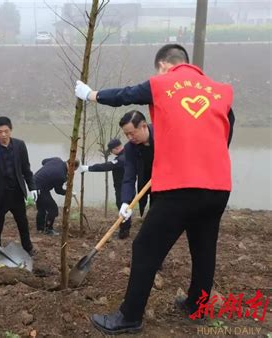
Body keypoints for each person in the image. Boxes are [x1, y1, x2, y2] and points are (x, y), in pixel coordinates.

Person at [75, 44, 235, 334]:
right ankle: (197, 306)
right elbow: (227, 127)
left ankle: (129, 317)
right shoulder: (219, 90)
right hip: (218, 187)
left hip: (181, 186)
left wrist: (92, 95)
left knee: (145, 247)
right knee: (204, 247)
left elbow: (126, 95)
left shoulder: (162, 83)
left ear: (164, 65)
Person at [0, 116, 38, 255]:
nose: (3, 135)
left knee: (22, 223)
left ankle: (28, 248)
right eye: (0, 132)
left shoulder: (19, 145)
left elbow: (26, 169)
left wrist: (32, 187)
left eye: (6, 131)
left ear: (11, 130)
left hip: (16, 192)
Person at [79, 138, 132, 239]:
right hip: (125, 187)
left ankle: (123, 233)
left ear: (116, 148)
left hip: (123, 189)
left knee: (123, 209)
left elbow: (106, 166)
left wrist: (89, 168)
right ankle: (125, 230)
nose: (111, 153)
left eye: (111, 151)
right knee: (125, 209)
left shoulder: (121, 159)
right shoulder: (127, 154)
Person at [34, 157, 79, 235]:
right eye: (74, 170)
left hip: (34, 182)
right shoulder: (61, 175)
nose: (73, 172)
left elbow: (43, 161)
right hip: (40, 188)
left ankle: (40, 229)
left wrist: (49, 170)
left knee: (42, 208)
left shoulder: (57, 160)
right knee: (53, 209)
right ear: (72, 166)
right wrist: (69, 193)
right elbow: (58, 191)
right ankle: (48, 229)